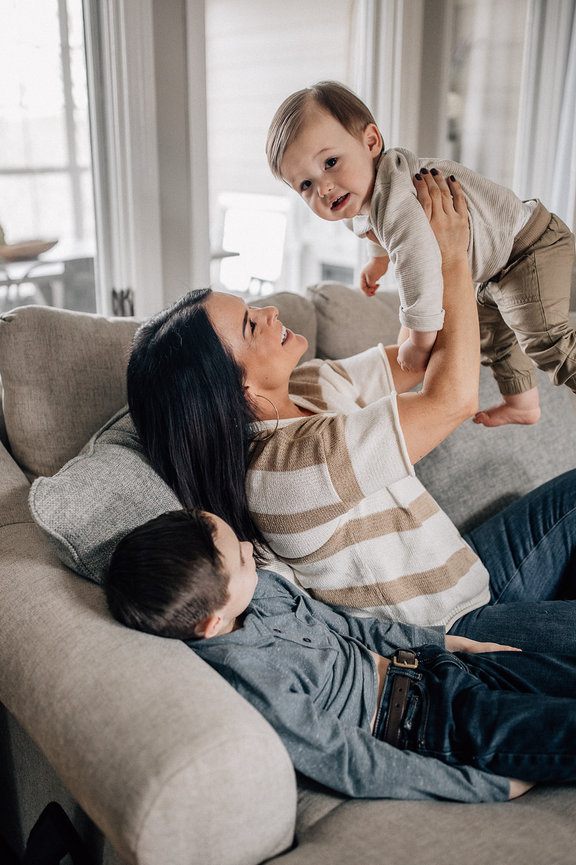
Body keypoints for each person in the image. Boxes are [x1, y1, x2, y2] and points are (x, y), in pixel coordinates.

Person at [126, 170, 576, 655]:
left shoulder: (309, 385)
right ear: (233, 386)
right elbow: (453, 399)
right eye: (250, 324)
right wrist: (451, 260)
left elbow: (420, 357)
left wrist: (405, 241)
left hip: (470, 571)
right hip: (448, 636)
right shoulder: (286, 471)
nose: (271, 312)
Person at [105, 506, 576, 804]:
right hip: (432, 723)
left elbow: (353, 626)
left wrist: (451, 643)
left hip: (440, 667)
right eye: (243, 559)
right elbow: (349, 760)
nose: (251, 548)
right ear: (212, 624)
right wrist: (488, 786)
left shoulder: (262, 591)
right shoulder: (251, 678)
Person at [266, 80, 576, 427]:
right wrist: (378, 259)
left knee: (546, 340)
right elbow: (377, 227)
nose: (323, 188)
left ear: (371, 142)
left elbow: (419, 268)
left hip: (528, 247)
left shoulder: (396, 200)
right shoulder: (365, 198)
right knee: (493, 339)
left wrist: (419, 337)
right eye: (305, 185)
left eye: (331, 162)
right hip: (496, 270)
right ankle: (523, 403)